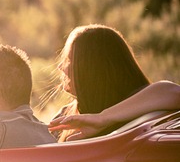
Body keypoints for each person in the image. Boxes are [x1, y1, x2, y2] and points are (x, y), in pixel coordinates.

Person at [48, 24, 180, 141]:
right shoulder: (66, 115)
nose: (61, 67)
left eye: (69, 60)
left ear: (93, 68)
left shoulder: (139, 110)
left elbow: (173, 92)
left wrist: (102, 118)